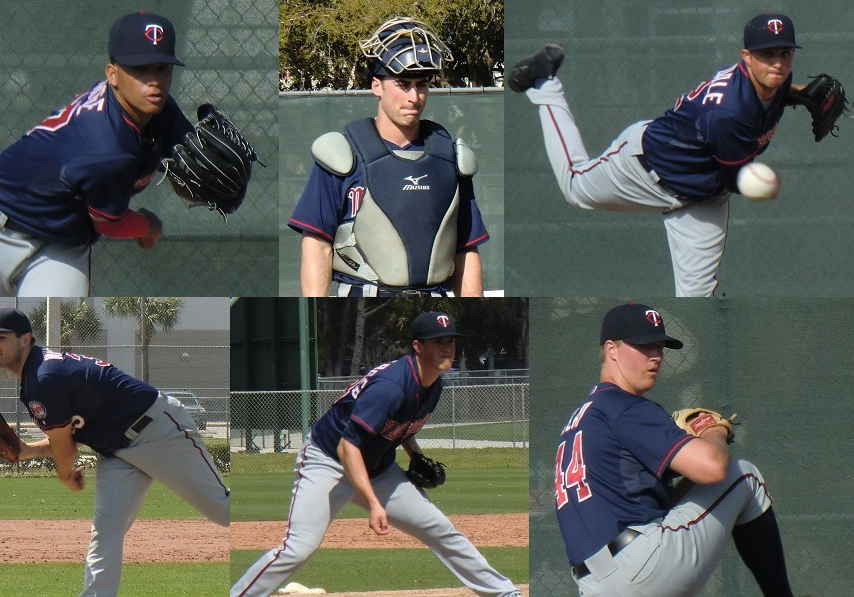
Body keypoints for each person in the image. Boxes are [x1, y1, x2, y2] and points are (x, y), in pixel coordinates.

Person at [509, 13, 809, 297]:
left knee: (698, 299)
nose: (778, 64)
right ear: (746, 57)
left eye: (785, 53)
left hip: (704, 196)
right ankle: (545, 83)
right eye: (767, 54)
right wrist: (769, 185)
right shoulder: (727, 113)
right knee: (574, 186)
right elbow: (737, 179)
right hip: (645, 169)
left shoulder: (768, 80)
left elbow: (774, 92)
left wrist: (803, 94)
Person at [232, 311, 521, 597]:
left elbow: (402, 424)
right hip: (329, 462)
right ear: (418, 346)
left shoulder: (434, 382)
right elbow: (348, 446)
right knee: (298, 548)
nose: (447, 347)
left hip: (378, 468)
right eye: (437, 341)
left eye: (451, 340)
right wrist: (373, 503)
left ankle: (503, 593)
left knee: (439, 529)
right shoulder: (391, 386)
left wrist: (415, 456)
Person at [0, 307, 230, 597]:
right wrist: (26, 450)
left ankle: (290, 542)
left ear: (25, 339)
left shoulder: (43, 376)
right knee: (105, 535)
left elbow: (65, 448)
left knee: (223, 510)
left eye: (1, 337)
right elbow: (72, 435)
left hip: (158, 431)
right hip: (115, 452)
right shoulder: (35, 376)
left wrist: (66, 474)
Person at [553, 302, 800, 596]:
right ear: (612, 349)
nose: (656, 356)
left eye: (659, 347)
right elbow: (714, 467)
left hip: (594, 584)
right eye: (643, 346)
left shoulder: (582, 418)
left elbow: (659, 502)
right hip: (640, 567)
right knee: (744, 476)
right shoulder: (625, 406)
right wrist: (713, 429)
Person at [0, 11, 196, 296]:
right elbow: (110, 222)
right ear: (112, 74)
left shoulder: (154, 107)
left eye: (162, 68)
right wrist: (148, 227)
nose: (154, 81)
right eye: (141, 68)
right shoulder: (106, 149)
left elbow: (189, 155)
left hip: (62, 244)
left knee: (57, 332)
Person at [288, 16, 489, 297]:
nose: (414, 96)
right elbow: (317, 243)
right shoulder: (342, 156)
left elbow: (466, 249)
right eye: (403, 84)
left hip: (436, 298)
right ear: (376, 86)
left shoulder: (451, 159)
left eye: (421, 84)